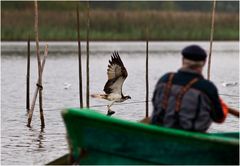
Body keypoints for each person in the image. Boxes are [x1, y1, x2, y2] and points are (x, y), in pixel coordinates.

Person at [151, 45, 228, 132]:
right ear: (204, 62)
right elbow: (219, 118)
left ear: (183, 60)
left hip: (158, 133)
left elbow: (154, 102)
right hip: (191, 138)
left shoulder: (165, 79)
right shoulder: (207, 87)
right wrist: (222, 105)